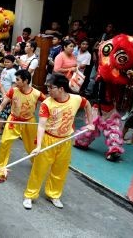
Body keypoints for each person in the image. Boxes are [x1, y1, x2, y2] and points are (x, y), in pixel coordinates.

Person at [22, 74, 94, 210]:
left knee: (60, 169)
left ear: (61, 88)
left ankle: (53, 194)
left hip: (65, 140)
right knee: (39, 169)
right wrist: (38, 146)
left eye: (50, 87)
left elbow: (87, 105)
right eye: (47, 87)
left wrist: (90, 123)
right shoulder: (46, 104)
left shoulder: (76, 99)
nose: (48, 90)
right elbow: (41, 126)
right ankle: (30, 195)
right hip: (48, 139)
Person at [0, 69, 46, 167]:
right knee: (5, 142)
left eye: (17, 80)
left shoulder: (37, 94)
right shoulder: (13, 91)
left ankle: (36, 163)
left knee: (32, 145)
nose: (15, 82)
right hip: (13, 120)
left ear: (25, 81)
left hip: (29, 122)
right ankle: (0, 166)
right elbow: (2, 105)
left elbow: (48, 104)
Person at [0, 55, 17, 135]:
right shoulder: (4, 69)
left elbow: (14, 84)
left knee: (3, 112)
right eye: (5, 62)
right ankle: (1, 125)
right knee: (0, 109)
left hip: (7, 95)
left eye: (8, 62)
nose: (6, 63)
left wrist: (9, 95)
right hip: (1, 93)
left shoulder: (13, 71)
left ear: (13, 63)